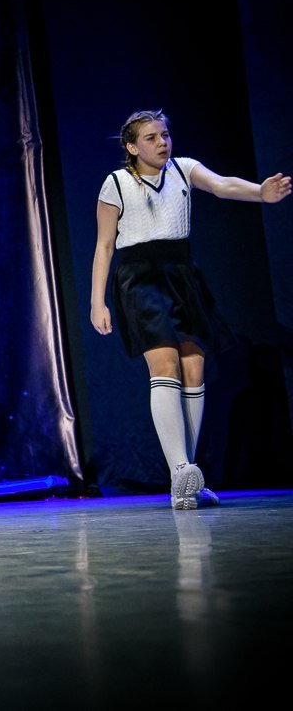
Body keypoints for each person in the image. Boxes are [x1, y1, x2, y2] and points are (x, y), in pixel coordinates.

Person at [90, 109, 290, 509]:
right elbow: (105, 245)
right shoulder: (116, 184)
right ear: (132, 147)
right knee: (165, 365)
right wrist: (98, 301)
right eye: (151, 137)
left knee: (194, 366)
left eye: (165, 135)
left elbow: (221, 185)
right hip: (139, 279)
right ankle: (181, 470)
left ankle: (186, 477)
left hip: (181, 274)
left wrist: (260, 192)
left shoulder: (183, 168)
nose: (162, 142)